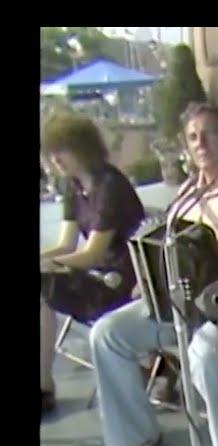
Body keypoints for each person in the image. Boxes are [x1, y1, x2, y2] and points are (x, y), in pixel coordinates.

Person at [89, 102, 218, 446]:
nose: (199, 142)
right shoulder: (187, 192)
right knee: (107, 334)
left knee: (202, 355)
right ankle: (136, 438)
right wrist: (148, 280)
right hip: (179, 304)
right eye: (192, 136)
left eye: (209, 133)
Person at [40, 113, 145, 415]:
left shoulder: (110, 185)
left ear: (83, 147)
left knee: (44, 288)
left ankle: (44, 386)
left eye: (62, 149)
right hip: (97, 274)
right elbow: (66, 245)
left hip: (124, 281)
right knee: (43, 290)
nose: (55, 158)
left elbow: (94, 253)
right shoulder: (73, 187)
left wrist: (48, 266)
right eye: (51, 151)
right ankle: (44, 382)